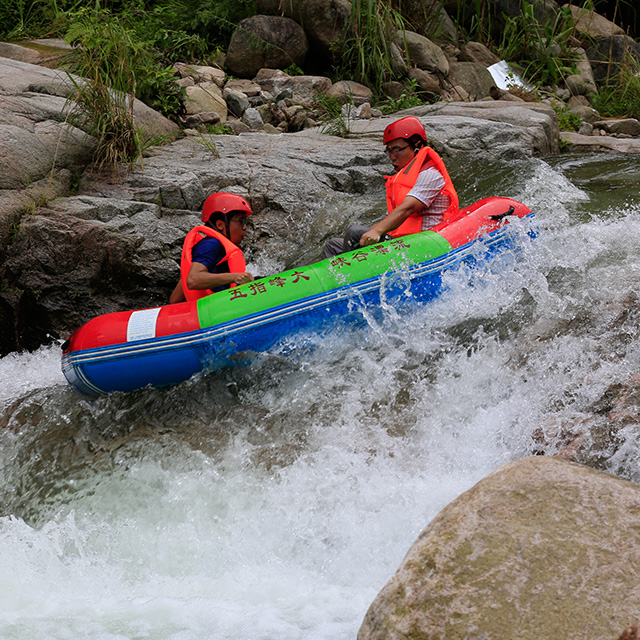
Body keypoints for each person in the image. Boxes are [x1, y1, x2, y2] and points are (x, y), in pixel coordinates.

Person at [322, 116, 459, 259]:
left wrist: (376, 232)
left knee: (354, 233)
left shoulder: (430, 175)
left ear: (417, 146)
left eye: (397, 150)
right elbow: (392, 218)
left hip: (423, 245)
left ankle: (351, 277)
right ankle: (329, 278)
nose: (392, 157)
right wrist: (368, 233)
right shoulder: (404, 178)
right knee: (333, 245)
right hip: (404, 242)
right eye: (389, 150)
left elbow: (408, 208)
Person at [169, 192, 254, 304]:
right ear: (220, 225)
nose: (245, 227)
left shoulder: (216, 247)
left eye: (245, 222)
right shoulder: (211, 245)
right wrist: (235, 277)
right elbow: (193, 280)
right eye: (241, 222)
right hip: (214, 310)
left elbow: (175, 299)